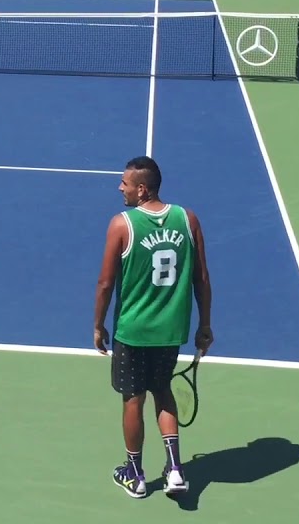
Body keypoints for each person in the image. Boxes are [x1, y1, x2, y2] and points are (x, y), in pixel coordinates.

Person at [93, 155, 213, 499]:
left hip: (133, 331)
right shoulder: (187, 219)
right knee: (163, 391)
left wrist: (98, 325)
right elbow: (201, 278)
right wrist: (204, 324)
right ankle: (175, 469)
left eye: (125, 183)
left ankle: (135, 473)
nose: (120, 188)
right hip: (171, 331)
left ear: (141, 189)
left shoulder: (122, 224)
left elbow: (105, 283)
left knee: (133, 399)